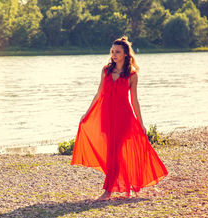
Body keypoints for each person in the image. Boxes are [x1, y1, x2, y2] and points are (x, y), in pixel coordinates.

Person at [71, 36, 168, 201]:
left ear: (125, 54)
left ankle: (107, 191)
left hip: (124, 118)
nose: (114, 54)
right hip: (106, 116)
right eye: (112, 51)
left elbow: (134, 100)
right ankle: (125, 184)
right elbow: (99, 93)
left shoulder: (132, 75)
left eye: (117, 52)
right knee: (113, 153)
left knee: (115, 153)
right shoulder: (106, 71)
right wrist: (86, 114)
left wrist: (141, 122)